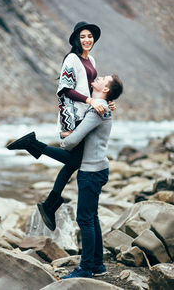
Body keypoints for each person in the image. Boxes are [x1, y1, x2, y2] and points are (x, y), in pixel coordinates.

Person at [7, 21, 115, 231]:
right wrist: (90, 102)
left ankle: (50, 202)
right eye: (83, 36)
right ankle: (34, 147)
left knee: (74, 162)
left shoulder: (91, 59)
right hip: (74, 115)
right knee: (75, 160)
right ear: (76, 39)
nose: (87, 40)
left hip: (87, 113)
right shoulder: (72, 59)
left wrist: (104, 100)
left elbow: (94, 89)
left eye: (90, 36)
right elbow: (65, 89)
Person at [60, 74, 123, 279]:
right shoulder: (102, 106)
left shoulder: (98, 110)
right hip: (97, 168)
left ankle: (86, 268)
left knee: (85, 219)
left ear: (105, 89)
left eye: (103, 78)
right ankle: (98, 265)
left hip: (91, 171)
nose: (98, 77)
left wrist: (63, 137)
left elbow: (73, 141)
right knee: (92, 217)